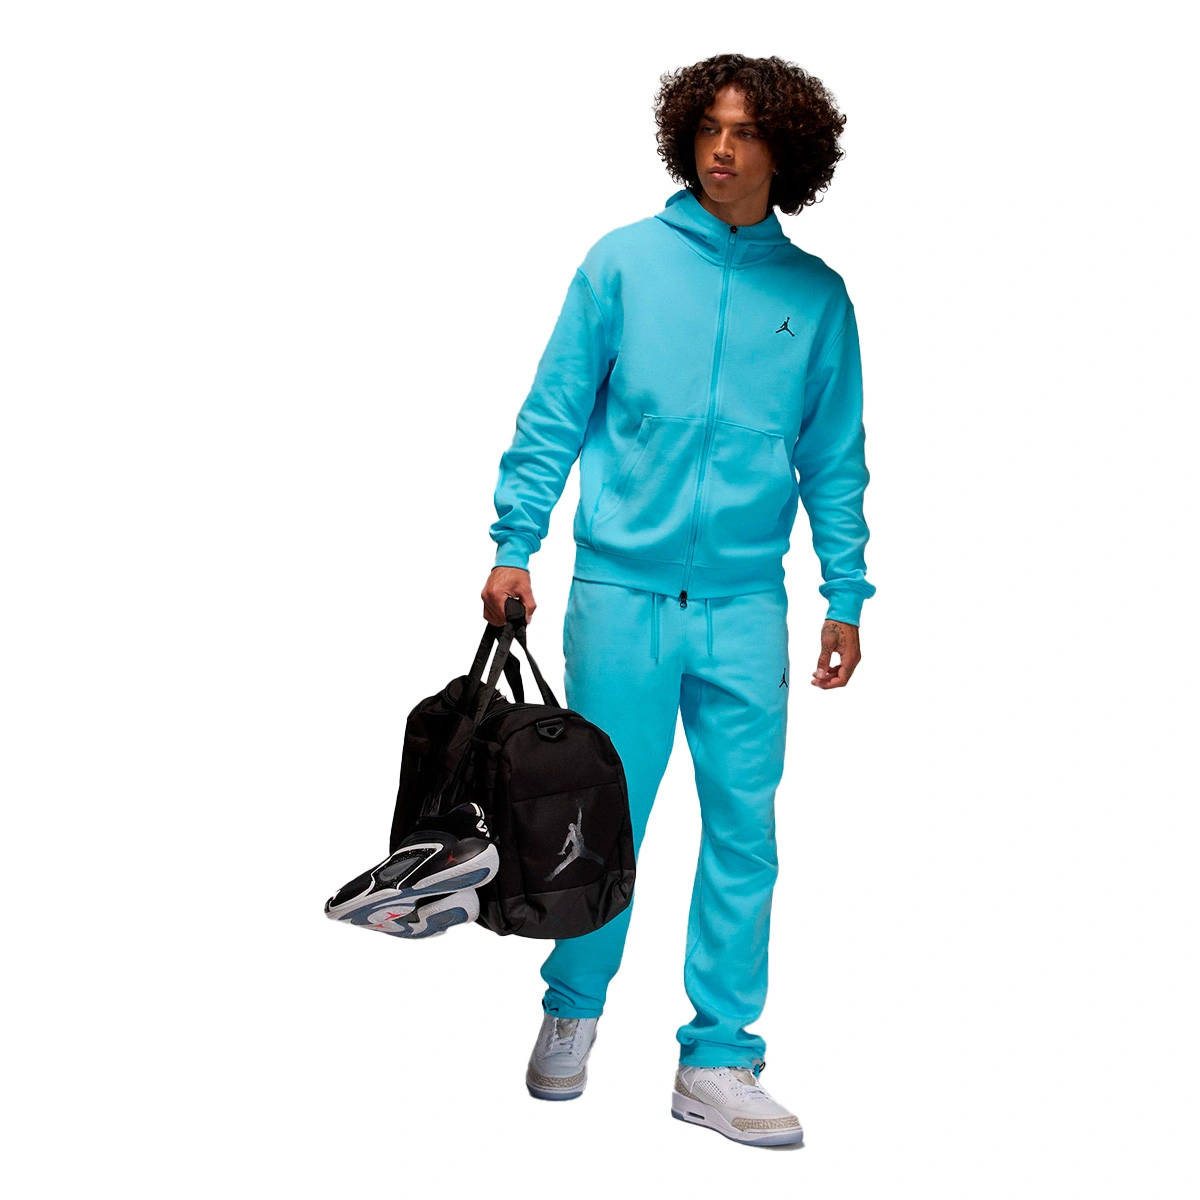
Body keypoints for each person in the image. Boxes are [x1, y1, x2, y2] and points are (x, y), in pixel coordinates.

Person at [480, 52, 875, 1148]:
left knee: (745, 833)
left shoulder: (817, 298)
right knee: (599, 818)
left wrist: (845, 593)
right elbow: (555, 410)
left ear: (786, 152)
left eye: (745, 132)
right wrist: (515, 544)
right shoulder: (622, 263)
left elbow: (834, 459)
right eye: (708, 127)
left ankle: (719, 1058)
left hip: (746, 606)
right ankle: (574, 1006)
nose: (722, 149)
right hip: (623, 592)